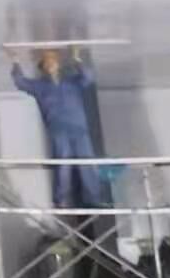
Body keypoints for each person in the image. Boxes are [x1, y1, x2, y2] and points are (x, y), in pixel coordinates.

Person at [6, 45, 105, 209]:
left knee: (87, 162)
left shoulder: (72, 82)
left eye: (53, 61)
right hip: (59, 131)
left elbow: (88, 77)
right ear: (42, 68)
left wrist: (77, 60)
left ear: (58, 64)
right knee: (63, 163)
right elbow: (20, 82)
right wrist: (15, 61)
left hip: (79, 130)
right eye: (47, 62)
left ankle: (94, 198)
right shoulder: (39, 86)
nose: (51, 64)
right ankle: (60, 200)